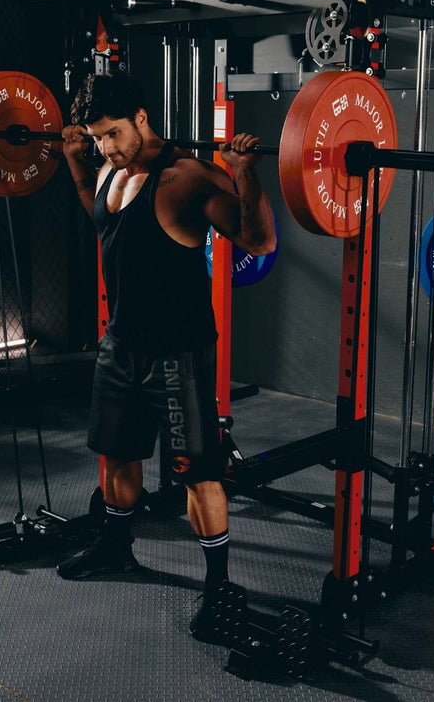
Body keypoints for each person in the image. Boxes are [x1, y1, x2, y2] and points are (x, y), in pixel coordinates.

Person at [54, 72, 276, 641]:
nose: (105, 146)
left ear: (142, 117)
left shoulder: (186, 178)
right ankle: (114, 546)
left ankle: (219, 585)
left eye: (112, 134)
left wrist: (246, 176)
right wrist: (78, 162)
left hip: (177, 352)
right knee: (117, 457)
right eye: (96, 137)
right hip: (121, 346)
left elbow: (259, 242)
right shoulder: (107, 170)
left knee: (199, 476)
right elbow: (100, 219)